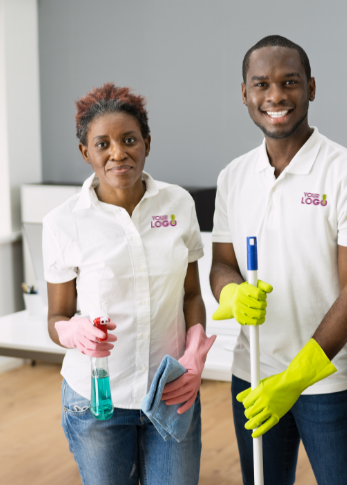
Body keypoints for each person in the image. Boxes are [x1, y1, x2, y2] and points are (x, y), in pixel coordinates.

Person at [209, 35, 347, 485]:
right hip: (251, 374)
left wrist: (293, 380)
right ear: (245, 93)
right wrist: (232, 293)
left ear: (311, 87)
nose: (275, 96)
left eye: (289, 82)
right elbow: (222, 265)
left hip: (328, 383)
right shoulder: (233, 177)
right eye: (262, 84)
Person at [44, 83, 212, 485]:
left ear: (147, 144)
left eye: (129, 139)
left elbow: (192, 295)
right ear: (86, 153)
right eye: (102, 144)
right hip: (97, 401)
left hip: (171, 391)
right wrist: (72, 331)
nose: (118, 153)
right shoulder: (63, 222)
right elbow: (57, 315)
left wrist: (194, 353)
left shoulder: (178, 205)